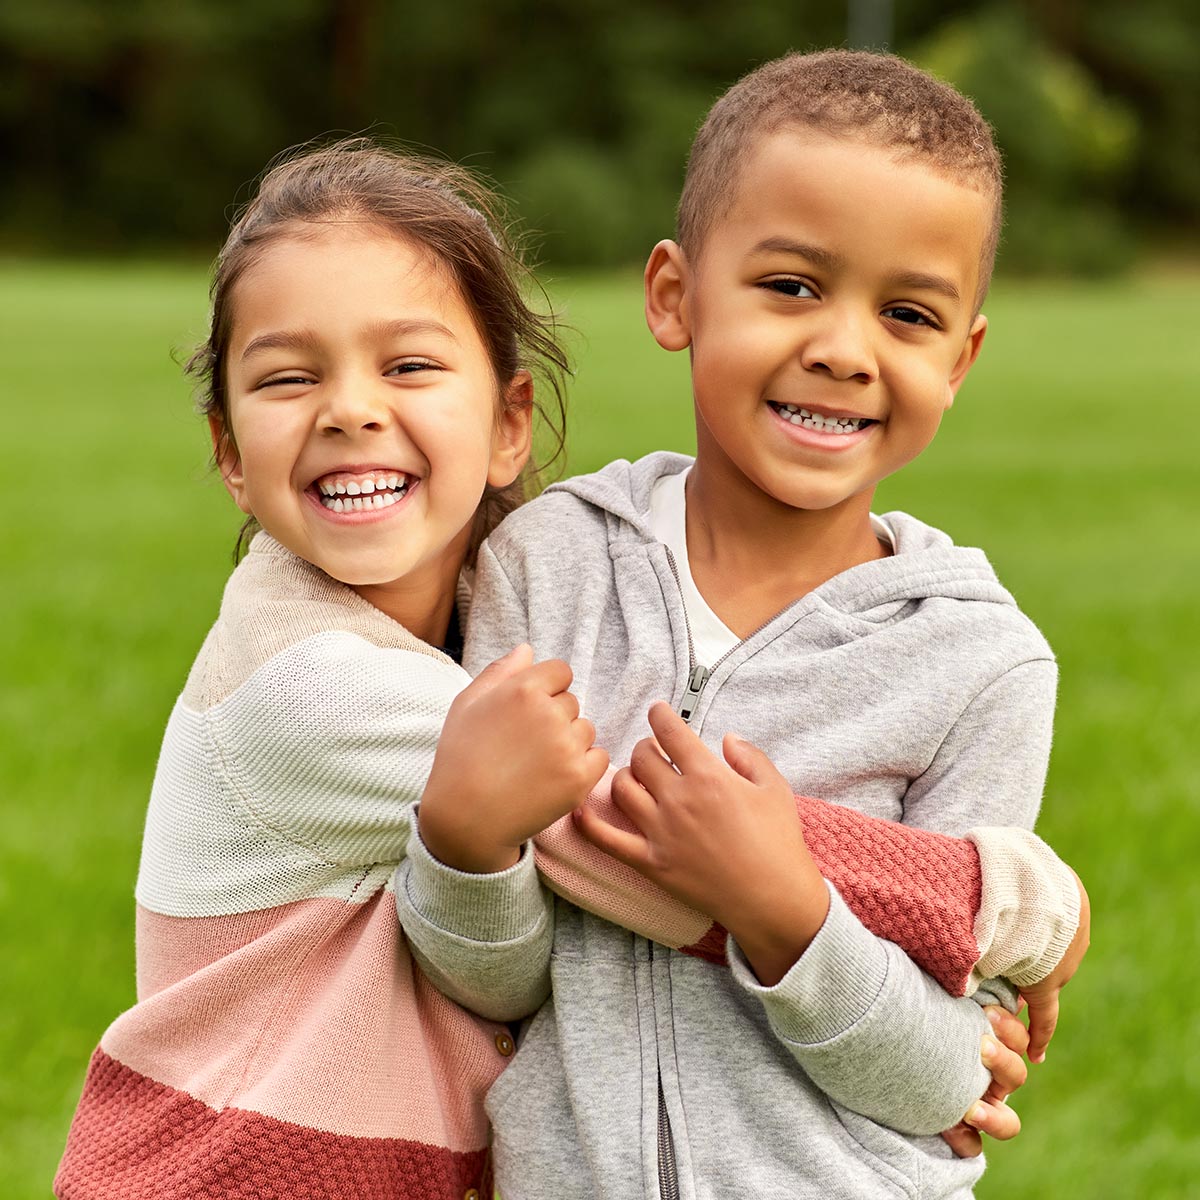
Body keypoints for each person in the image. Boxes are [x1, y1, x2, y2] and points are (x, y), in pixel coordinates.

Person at [55, 134, 1078, 1200]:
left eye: (407, 364)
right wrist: (1007, 902)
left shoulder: (502, 602)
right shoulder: (311, 683)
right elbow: (655, 830)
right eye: (289, 376)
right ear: (228, 452)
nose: (350, 408)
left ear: (509, 425)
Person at [397, 50, 1087, 1200]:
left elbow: (950, 1084)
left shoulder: (979, 662)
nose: (844, 347)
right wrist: (463, 847)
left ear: (959, 359)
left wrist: (782, 907)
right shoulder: (543, 564)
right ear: (676, 295)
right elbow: (498, 992)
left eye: (908, 313)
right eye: (792, 286)